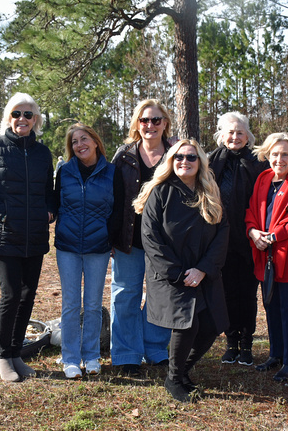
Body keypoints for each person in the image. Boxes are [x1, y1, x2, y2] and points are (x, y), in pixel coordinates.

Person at [134, 139, 229, 402]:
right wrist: (177, 273)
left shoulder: (209, 192)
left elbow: (223, 232)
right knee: (187, 325)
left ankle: (181, 370)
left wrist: (203, 269)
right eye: (178, 157)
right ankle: (174, 379)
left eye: (190, 157)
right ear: (170, 161)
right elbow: (150, 238)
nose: (184, 162)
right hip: (171, 275)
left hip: (203, 273)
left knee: (211, 325)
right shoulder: (160, 192)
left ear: (200, 163)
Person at [0, 92, 54, 383]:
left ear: (36, 120)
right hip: (4, 236)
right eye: (17, 113)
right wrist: (3, 214)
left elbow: (49, 192)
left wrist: (51, 210)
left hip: (35, 236)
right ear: (8, 117)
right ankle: (3, 356)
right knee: (11, 294)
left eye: (28, 114)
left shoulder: (43, 153)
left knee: (28, 294)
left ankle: (17, 353)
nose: (22, 119)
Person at [54, 123, 123, 379]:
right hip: (68, 247)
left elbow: (118, 209)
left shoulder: (112, 172)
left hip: (98, 246)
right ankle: (70, 358)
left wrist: (110, 238)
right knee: (71, 304)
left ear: (95, 142)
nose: (80, 145)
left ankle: (92, 355)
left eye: (84, 139)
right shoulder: (64, 172)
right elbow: (54, 201)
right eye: (74, 142)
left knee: (93, 304)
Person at [110, 99, 173, 375]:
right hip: (130, 239)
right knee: (125, 295)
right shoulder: (124, 156)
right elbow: (112, 197)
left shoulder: (177, 154)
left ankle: (156, 349)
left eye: (156, 120)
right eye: (145, 120)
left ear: (165, 123)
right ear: (137, 124)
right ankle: (126, 354)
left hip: (165, 242)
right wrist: (111, 237)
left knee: (160, 297)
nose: (150, 125)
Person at [245, 133, 288, 381]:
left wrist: (273, 236)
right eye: (274, 154)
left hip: (286, 254)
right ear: (267, 155)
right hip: (263, 253)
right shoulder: (263, 178)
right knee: (270, 304)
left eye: (285, 154)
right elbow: (252, 210)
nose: (279, 159)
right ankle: (276, 354)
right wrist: (253, 233)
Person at [208, 112, 268, 366]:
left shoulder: (259, 161)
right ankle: (231, 341)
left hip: (249, 238)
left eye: (240, 132)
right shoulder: (210, 161)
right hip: (220, 238)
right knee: (226, 292)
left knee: (247, 293)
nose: (235, 136)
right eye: (230, 132)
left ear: (248, 136)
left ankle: (247, 343)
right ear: (222, 135)